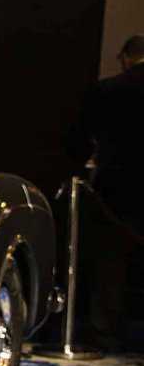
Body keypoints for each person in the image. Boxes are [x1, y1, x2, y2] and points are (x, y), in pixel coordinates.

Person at [70, 35, 144, 349]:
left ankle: (106, 328)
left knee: (111, 258)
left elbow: (84, 137)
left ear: (125, 57)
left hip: (117, 182)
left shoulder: (108, 90)